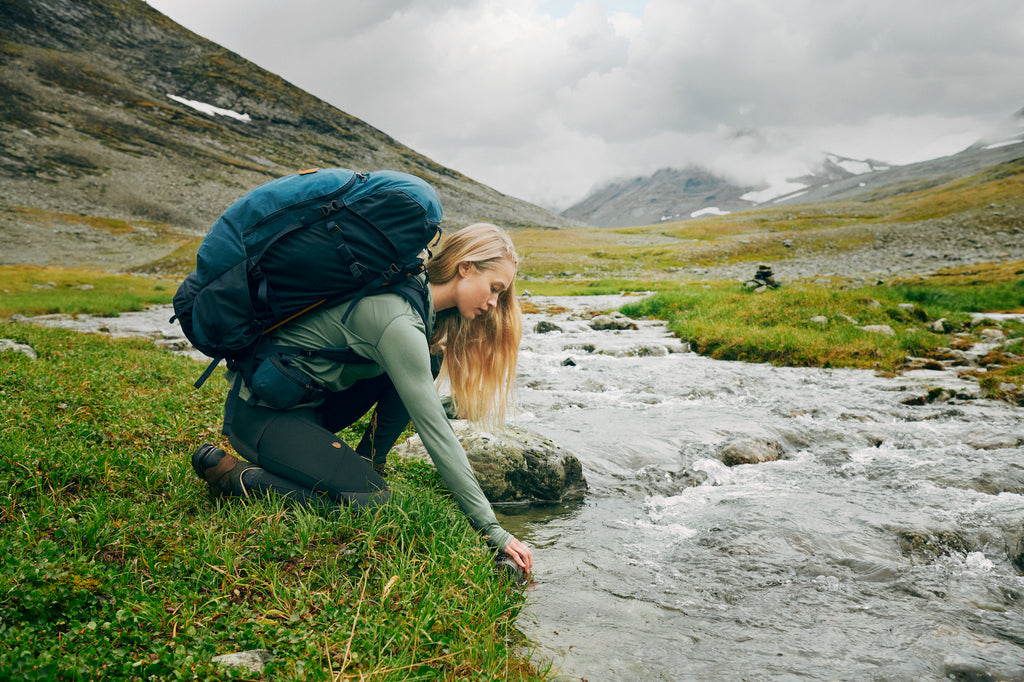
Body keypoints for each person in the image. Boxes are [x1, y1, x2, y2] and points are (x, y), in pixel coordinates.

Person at [189, 222, 533, 574]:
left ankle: (368, 465)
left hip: (304, 405)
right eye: (494, 288)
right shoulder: (398, 320)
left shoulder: (412, 295)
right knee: (375, 503)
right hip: (261, 419)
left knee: (427, 360)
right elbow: (435, 433)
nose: (493, 303)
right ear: (466, 267)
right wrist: (492, 528)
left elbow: (417, 392)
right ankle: (237, 477)